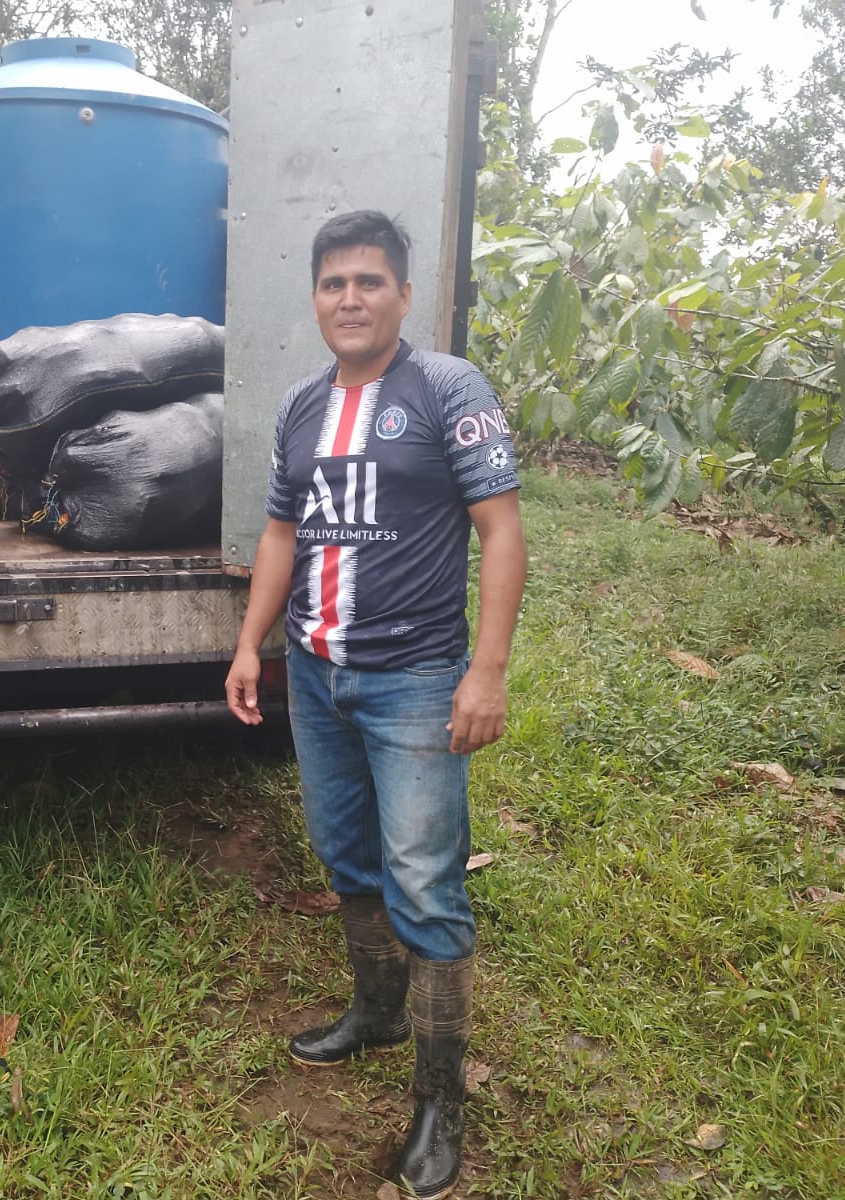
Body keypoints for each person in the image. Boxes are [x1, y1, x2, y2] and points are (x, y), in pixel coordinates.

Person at [225, 210, 526, 1200]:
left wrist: (486, 672)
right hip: (318, 677)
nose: (349, 298)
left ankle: (441, 1101)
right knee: (346, 852)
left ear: (402, 293)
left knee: (425, 881)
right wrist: (251, 644)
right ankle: (378, 1012)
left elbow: (501, 531)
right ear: (315, 298)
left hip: (415, 680)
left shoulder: (446, 389)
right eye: (332, 284)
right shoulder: (301, 406)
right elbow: (281, 533)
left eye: (368, 281)